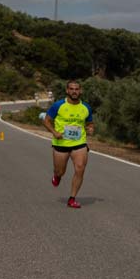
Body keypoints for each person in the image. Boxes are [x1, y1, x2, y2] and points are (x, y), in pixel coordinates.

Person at [43, 81, 95, 209]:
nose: (74, 91)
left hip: (79, 142)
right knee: (60, 171)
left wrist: (90, 129)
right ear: (67, 91)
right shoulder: (58, 105)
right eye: (71, 89)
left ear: (80, 91)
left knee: (80, 168)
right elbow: (47, 121)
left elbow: (90, 123)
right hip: (61, 142)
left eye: (77, 89)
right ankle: (57, 176)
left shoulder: (86, 107)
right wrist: (54, 132)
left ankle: (72, 198)